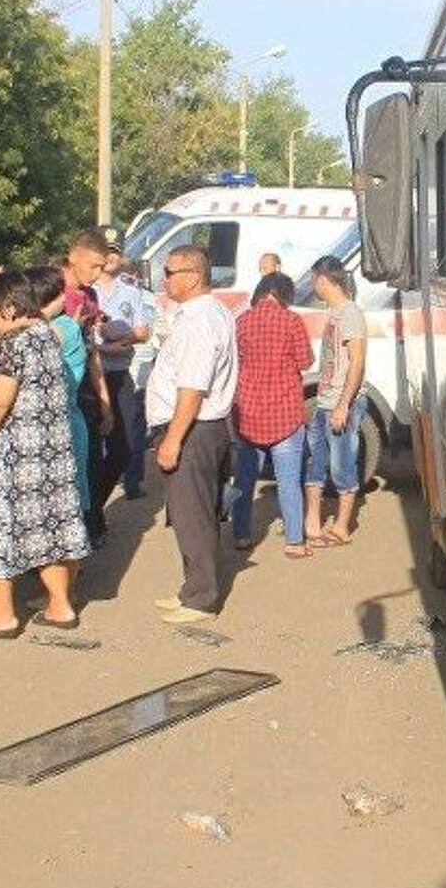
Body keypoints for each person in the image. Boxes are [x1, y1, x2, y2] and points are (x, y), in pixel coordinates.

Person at [0, 270, 91, 639]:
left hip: (11, 458)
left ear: (11, 307)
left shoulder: (13, 346)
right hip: (50, 455)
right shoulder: (46, 336)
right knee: (48, 531)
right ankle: (61, 606)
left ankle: (1, 615)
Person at [147, 244, 236, 624]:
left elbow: (192, 388)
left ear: (193, 276)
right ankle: (192, 587)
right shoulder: (202, 313)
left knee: (193, 514)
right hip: (199, 427)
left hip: (193, 428)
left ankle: (201, 598)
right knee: (189, 512)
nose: (163, 279)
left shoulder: (201, 320)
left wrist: (173, 439)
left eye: (169, 272)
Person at [230, 272, 314, 559]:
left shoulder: (241, 322)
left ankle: (240, 535)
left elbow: (233, 365)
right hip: (285, 413)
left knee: (243, 479)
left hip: (249, 413)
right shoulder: (292, 321)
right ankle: (294, 541)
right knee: (289, 480)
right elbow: (305, 361)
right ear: (285, 295)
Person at [54, 229, 115, 540]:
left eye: (103, 266)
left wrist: (104, 400)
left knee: (89, 465)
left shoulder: (90, 298)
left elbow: (92, 353)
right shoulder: (50, 290)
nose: (99, 273)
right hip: (52, 394)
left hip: (82, 394)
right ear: (73, 256)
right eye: (94, 265)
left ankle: (88, 530)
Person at [304, 255, 368, 546]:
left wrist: (344, 404)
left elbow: (357, 363)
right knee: (316, 463)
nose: (311, 285)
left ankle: (342, 528)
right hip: (324, 401)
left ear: (324, 280)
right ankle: (312, 523)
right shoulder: (334, 313)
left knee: (342, 467)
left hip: (341, 404)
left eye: (313, 278)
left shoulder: (350, 314)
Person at [94, 237, 155, 503]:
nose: (111, 258)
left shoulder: (131, 292)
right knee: (95, 441)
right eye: (106, 252)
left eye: (115, 252)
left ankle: (130, 481)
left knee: (127, 439)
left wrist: (120, 341)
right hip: (92, 375)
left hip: (120, 374)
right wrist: (104, 346)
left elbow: (143, 332)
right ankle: (95, 504)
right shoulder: (87, 291)